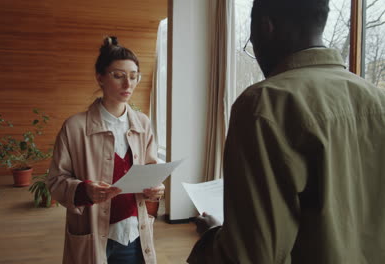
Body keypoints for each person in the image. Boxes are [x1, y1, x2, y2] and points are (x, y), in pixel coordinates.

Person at [188, 0, 385, 263]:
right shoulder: (378, 100)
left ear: (265, 26)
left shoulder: (265, 104)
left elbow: (252, 255)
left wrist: (212, 236)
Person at [47, 36, 164, 264]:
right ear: (99, 78)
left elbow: (151, 168)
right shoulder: (75, 127)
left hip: (134, 233)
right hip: (92, 235)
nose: (127, 84)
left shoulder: (142, 123)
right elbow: (55, 181)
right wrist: (85, 190)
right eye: (118, 76)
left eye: (133, 77)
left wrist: (156, 188)